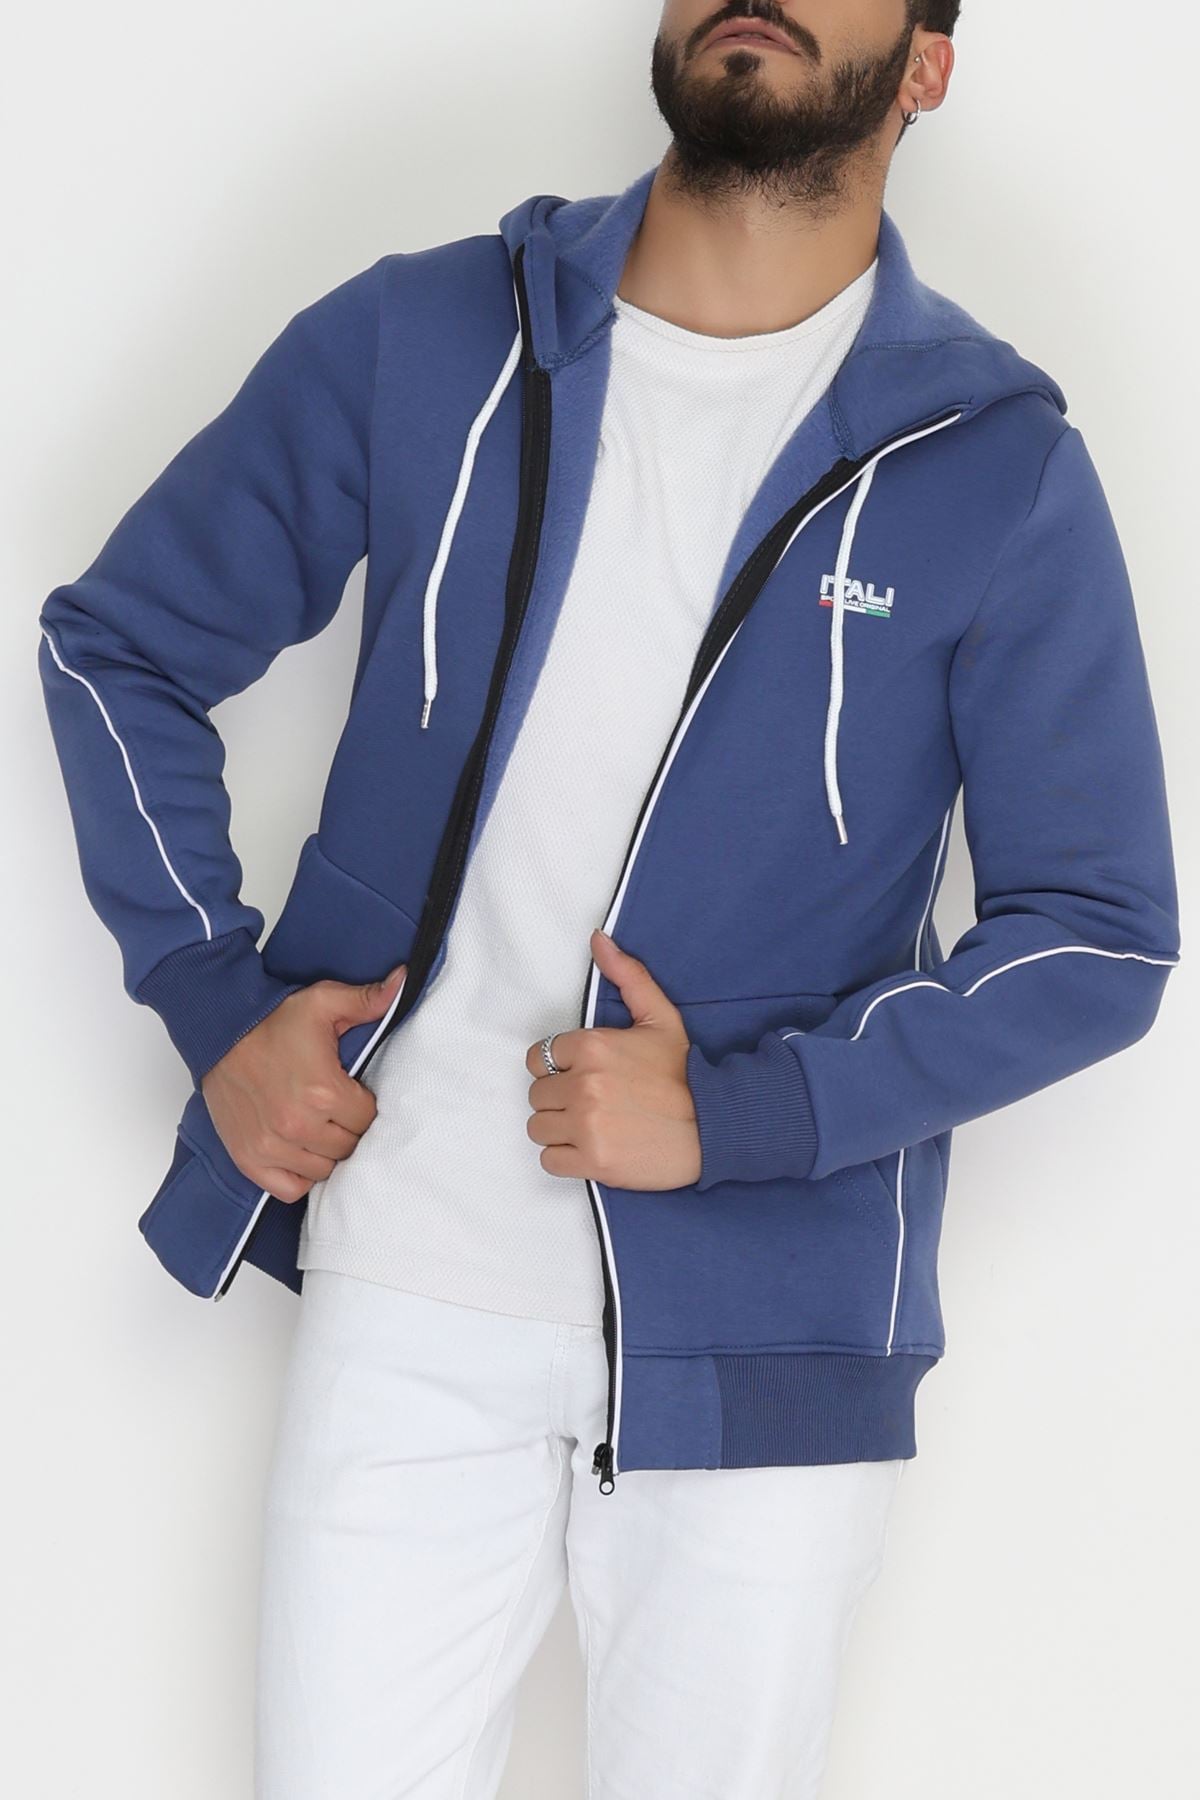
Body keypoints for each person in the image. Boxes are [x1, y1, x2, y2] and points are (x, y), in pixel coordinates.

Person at [36, 3, 1182, 1796]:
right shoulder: (427, 337)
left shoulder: (993, 463)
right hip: (413, 1279)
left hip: (775, 1325)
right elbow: (119, 647)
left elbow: (1099, 931)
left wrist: (744, 1114)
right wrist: (211, 999)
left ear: (926, 65)